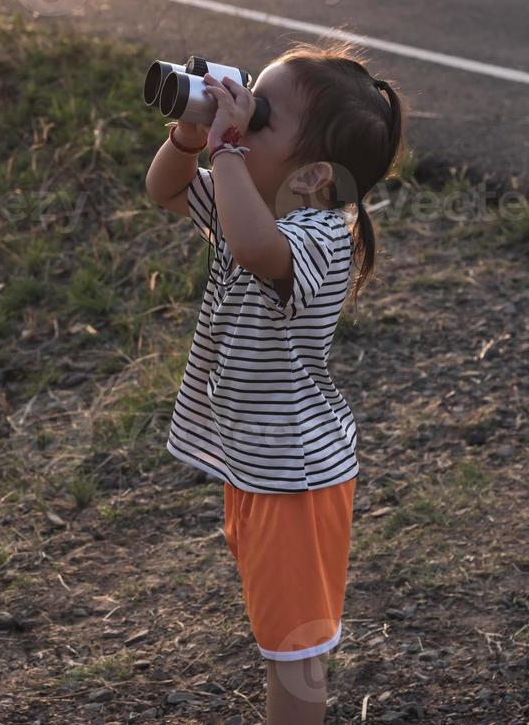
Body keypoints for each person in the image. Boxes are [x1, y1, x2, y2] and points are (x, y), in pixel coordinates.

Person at [144, 44, 406, 724]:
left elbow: (256, 252)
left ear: (315, 175)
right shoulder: (255, 207)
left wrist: (226, 155)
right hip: (257, 470)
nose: (239, 118)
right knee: (276, 633)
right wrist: (191, 136)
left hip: (295, 480)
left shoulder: (319, 233)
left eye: (257, 116)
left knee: (294, 650)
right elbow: (165, 190)